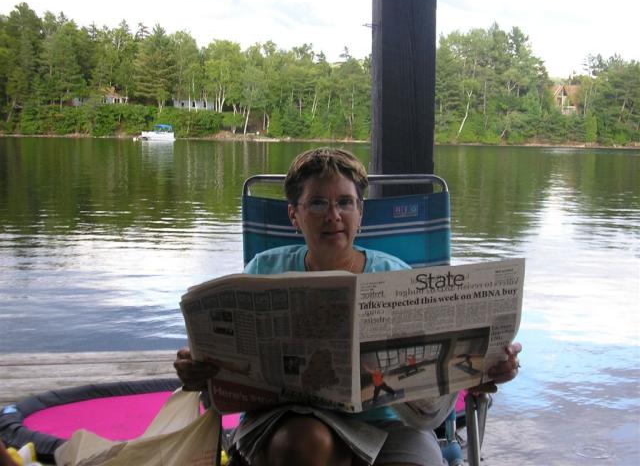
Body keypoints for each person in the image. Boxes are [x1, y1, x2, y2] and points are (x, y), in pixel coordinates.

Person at [174, 147, 522, 466]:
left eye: (345, 202)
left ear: (360, 212)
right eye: (318, 203)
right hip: (289, 420)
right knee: (304, 442)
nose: (333, 215)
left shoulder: (395, 275)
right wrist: (198, 368)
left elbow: (437, 364)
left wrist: (486, 368)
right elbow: (227, 363)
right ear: (294, 215)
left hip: (388, 424)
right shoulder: (263, 271)